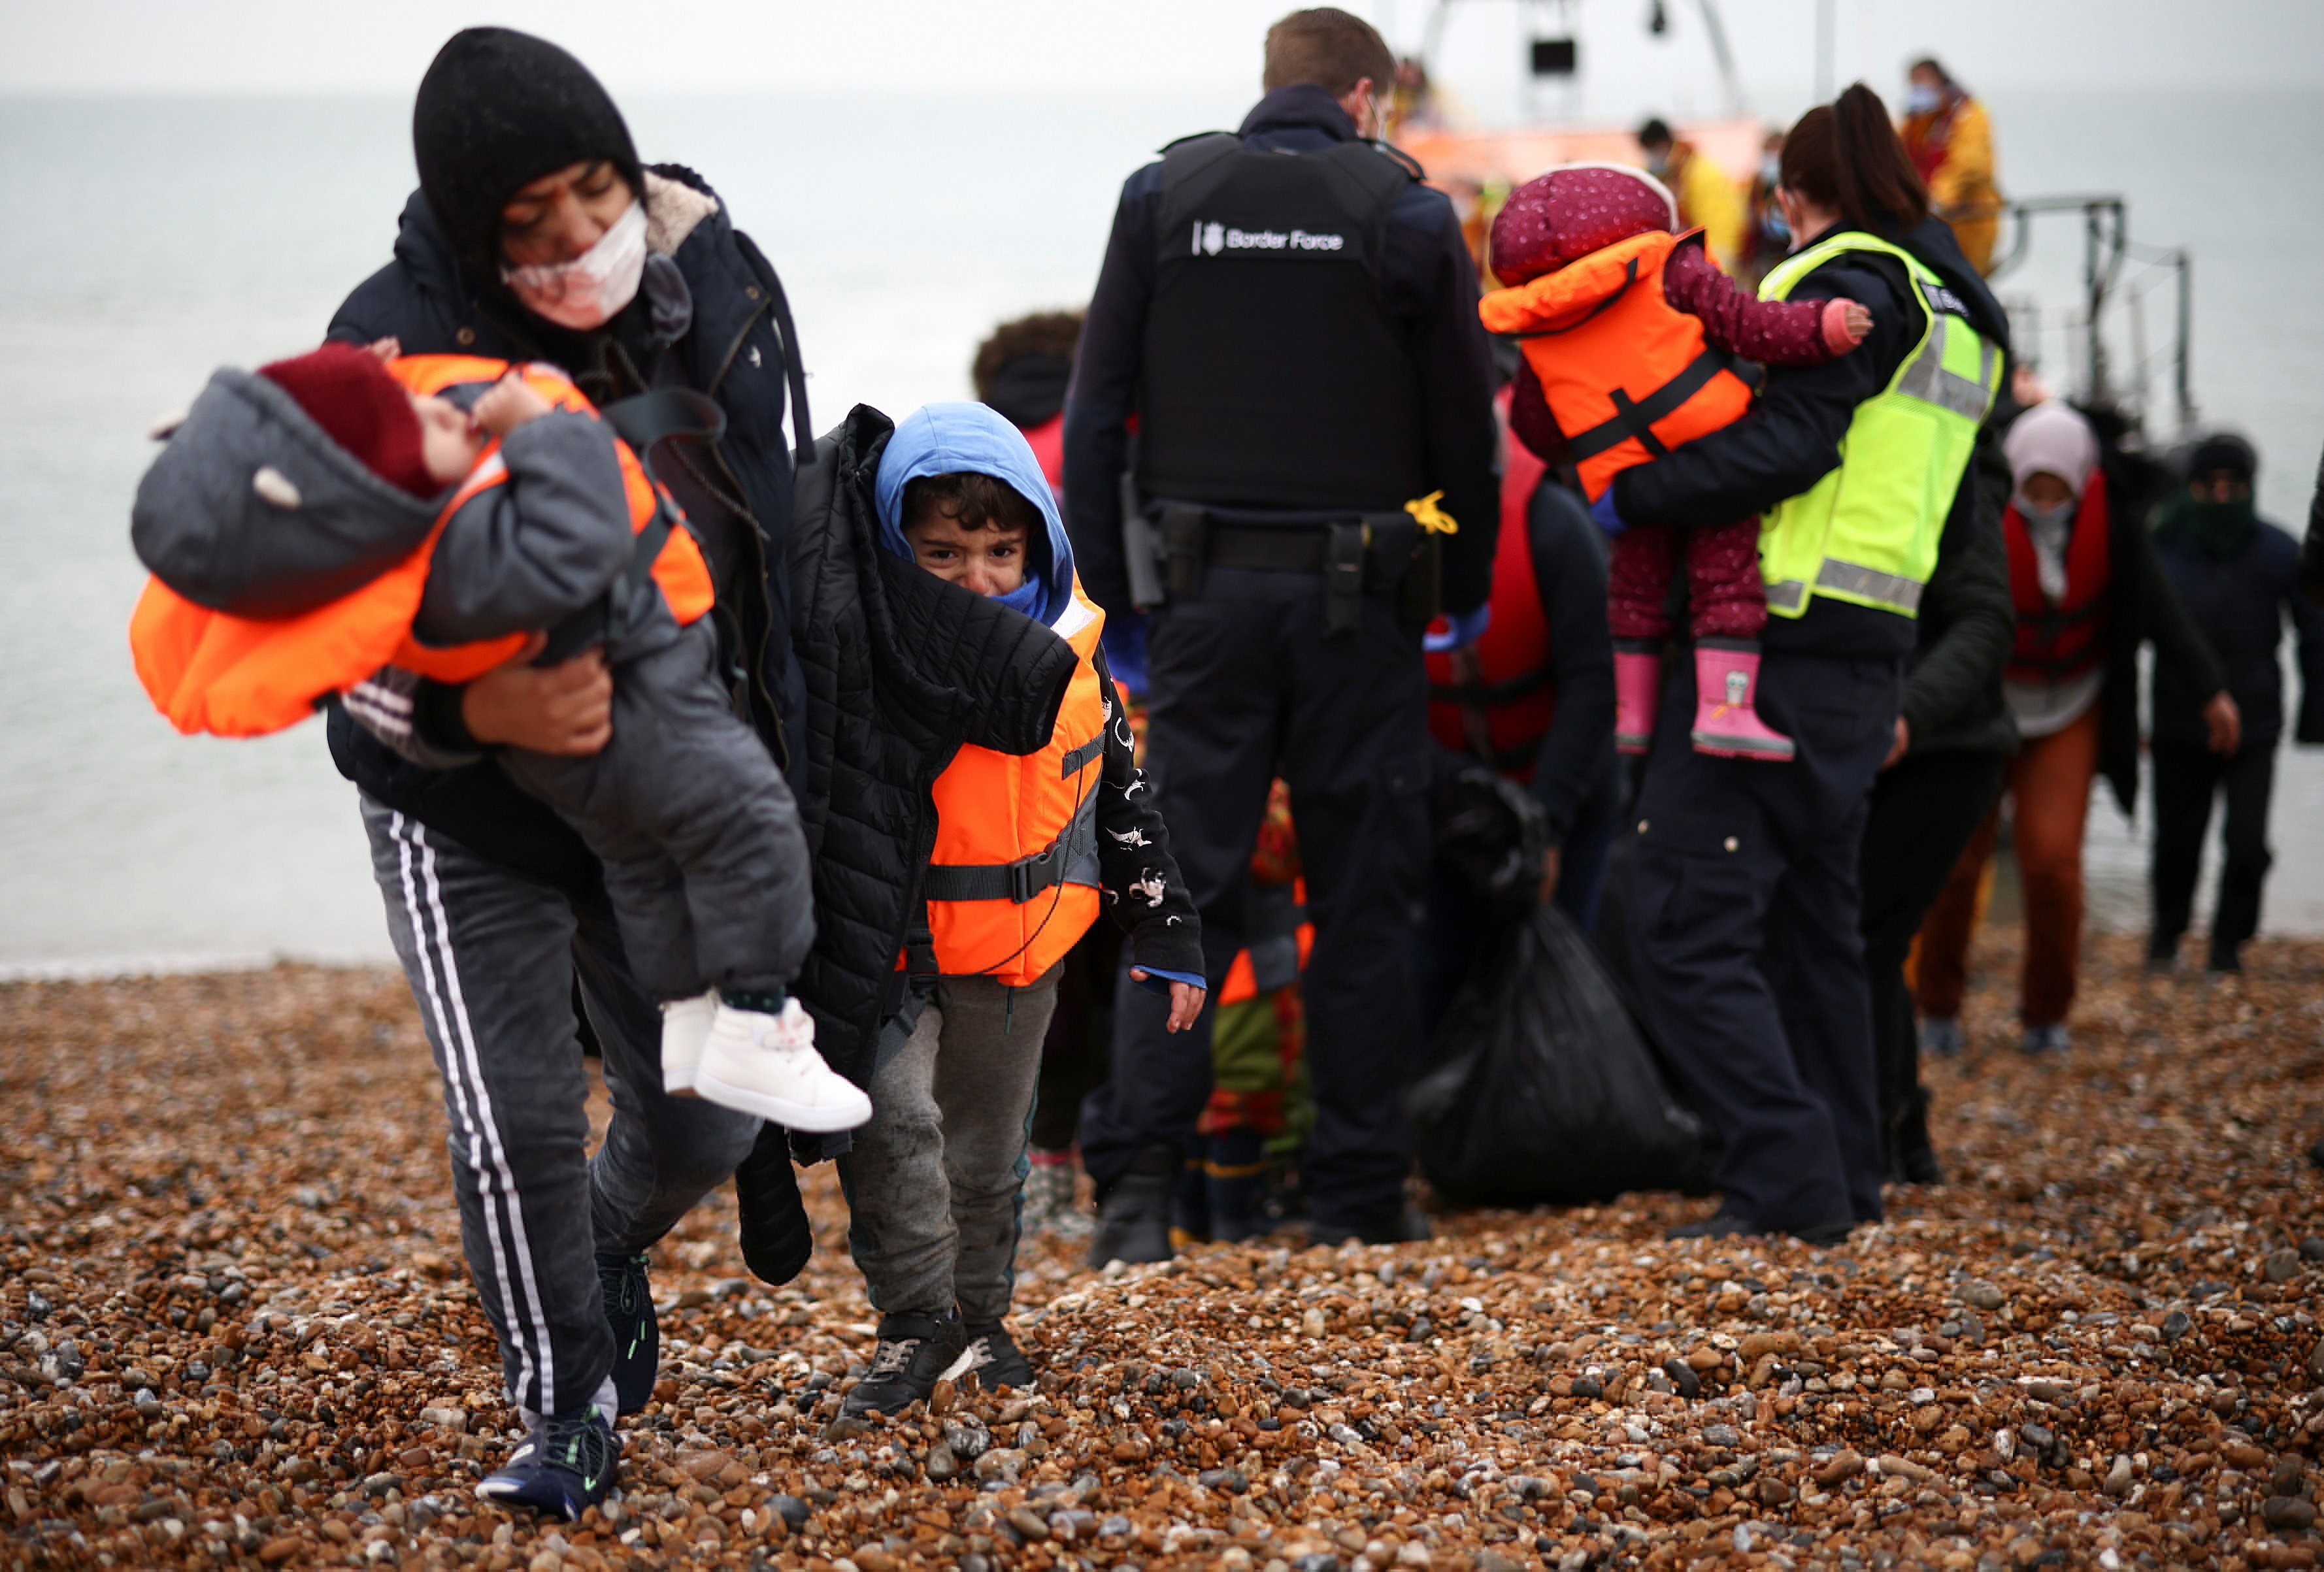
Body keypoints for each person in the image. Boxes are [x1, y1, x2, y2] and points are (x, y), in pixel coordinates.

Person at [317, 28, 818, 1518]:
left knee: (703, 1116)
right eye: (523, 225)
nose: (571, 242)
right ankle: (568, 1399)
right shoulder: (382, 343)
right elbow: (312, 639)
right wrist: (479, 711)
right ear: (472, 235)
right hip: (459, 794)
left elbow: (775, 559)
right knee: (517, 1117)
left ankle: (607, 1238)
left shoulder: (717, 275)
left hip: (659, 774)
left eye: (590, 193)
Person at [131, 342, 867, 1124]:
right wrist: (542, 429)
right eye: (421, 421)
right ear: (379, 492)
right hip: (643, 711)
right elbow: (584, 538)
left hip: (575, 758)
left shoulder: (398, 555)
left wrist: (381, 390)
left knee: (644, 861)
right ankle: (759, 1022)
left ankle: (689, 1019)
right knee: (753, 825)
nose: (446, 404)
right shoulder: (464, 557)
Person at [1064, 5, 1499, 1261]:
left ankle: (1140, 1195)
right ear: (1366, 97)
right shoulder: (1408, 215)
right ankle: (1358, 1195)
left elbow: (1099, 417)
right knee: (1364, 897)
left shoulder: (1163, 197)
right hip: (1360, 609)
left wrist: (1122, 605)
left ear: (1269, 89)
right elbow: (1464, 434)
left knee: (1177, 892)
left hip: (1203, 608)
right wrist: (1453, 587)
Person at [1596, 84, 2008, 1243]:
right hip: (1868, 647)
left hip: (1765, 637)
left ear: (1794, 198)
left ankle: (1783, 1179)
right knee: (1814, 931)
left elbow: (1790, 442)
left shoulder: (1846, 287)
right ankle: (1842, 1181)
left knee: (1680, 926)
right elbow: (1966, 523)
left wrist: (1630, 495)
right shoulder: (1961, 315)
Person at [834, 404, 1203, 1416]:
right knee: (893, 1127)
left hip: (1018, 959)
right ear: (890, 542)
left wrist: (1167, 931)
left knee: (987, 1153)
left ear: (1039, 538)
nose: (979, 577)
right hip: (889, 956)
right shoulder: (857, 657)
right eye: (942, 551)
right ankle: (914, 1324)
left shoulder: (1077, 662)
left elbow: (1124, 799)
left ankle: (981, 1317)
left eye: (1003, 549)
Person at [1480, 162, 1875, 764]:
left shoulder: (1537, 323)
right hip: (1711, 448)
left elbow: (1537, 429)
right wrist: (1822, 327)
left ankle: (1631, 718)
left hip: (1625, 476)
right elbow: (1748, 326)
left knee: (1635, 588)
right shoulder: (1668, 265)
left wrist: (1586, 437)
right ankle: (1727, 711)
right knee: (1726, 576)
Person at [1914, 403, 2237, 1054]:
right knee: (1954, 866)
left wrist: (2211, 692)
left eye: (2054, 488)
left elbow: (2161, 613)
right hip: (1983, 707)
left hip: (2070, 705)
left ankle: (2045, 1015)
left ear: (2080, 479)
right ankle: (1937, 1008)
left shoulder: (2114, 522)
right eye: (2030, 486)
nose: (2040, 500)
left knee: (2053, 864)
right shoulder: (1975, 513)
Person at [1853, 415, 2017, 1185]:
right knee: (1860, 942)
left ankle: (1895, 1139)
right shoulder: (1835, 442)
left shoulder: (1952, 468)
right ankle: (1892, 1137)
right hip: (1862, 736)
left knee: (1869, 939)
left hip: (1948, 745)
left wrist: (1908, 714)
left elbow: (1986, 620)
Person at [1422, 395, 1618, 942]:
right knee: (1438, 967)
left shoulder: (1555, 526)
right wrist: (1464, 795)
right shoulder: (1390, 531)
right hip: (1446, 800)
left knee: (1559, 959)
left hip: (1565, 791)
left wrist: (1545, 827)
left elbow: (1595, 681)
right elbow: (1375, 690)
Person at [2147, 435, 2324, 974]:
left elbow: (2315, 633)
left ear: (2250, 488)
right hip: (2179, 721)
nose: (2222, 497)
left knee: (2247, 843)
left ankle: (2229, 946)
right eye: (2209, 487)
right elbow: (2126, 631)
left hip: (2256, 723)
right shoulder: (2162, 548)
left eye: (2234, 487)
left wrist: (2314, 717)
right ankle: (2166, 936)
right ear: (2193, 489)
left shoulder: (2278, 550)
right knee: (2178, 842)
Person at [1899, 57, 2002, 276]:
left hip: (1969, 224)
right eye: (1914, 84)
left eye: (1923, 83)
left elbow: (1971, 168)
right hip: (1928, 225)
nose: (1918, 90)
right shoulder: (1918, 122)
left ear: (1941, 82)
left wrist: (1935, 199)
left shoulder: (1970, 117)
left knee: (1966, 286)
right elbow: (1896, 153)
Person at [1636, 118, 1747, 274]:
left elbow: (1720, 229)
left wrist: (1714, 272)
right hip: (1693, 259)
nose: (1651, 157)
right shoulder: (1672, 173)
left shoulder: (1701, 173)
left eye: (1652, 150)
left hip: (1715, 262)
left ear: (1663, 144)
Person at [1738, 131, 1791, 291]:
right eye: (1769, 152)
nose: (1772, 158)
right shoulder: (1757, 184)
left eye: (1777, 151)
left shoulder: (1794, 184)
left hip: (1788, 254)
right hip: (1763, 256)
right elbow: (1750, 221)